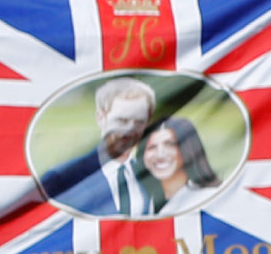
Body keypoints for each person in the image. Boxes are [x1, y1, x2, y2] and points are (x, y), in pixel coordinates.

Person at [44, 78, 161, 218]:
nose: (130, 129)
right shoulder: (62, 178)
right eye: (122, 120)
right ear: (101, 118)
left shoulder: (153, 175)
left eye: (139, 122)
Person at [136, 112, 219, 213]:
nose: (160, 154)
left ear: (188, 150)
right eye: (152, 147)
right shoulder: (141, 207)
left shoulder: (211, 199)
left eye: (170, 144)